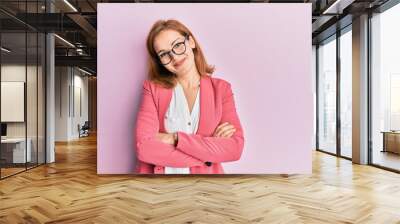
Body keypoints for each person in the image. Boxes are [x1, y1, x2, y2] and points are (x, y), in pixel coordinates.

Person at [135, 19, 244, 174]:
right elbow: (145, 149)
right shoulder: (152, 89)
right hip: (158, 191)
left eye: (178, 45)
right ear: (159, 61)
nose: (174, 56)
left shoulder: (221, 89)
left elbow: (235, 148)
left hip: (206, 190)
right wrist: (209, 153)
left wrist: (175, 138)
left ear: (191, 41)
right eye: (164, 54)